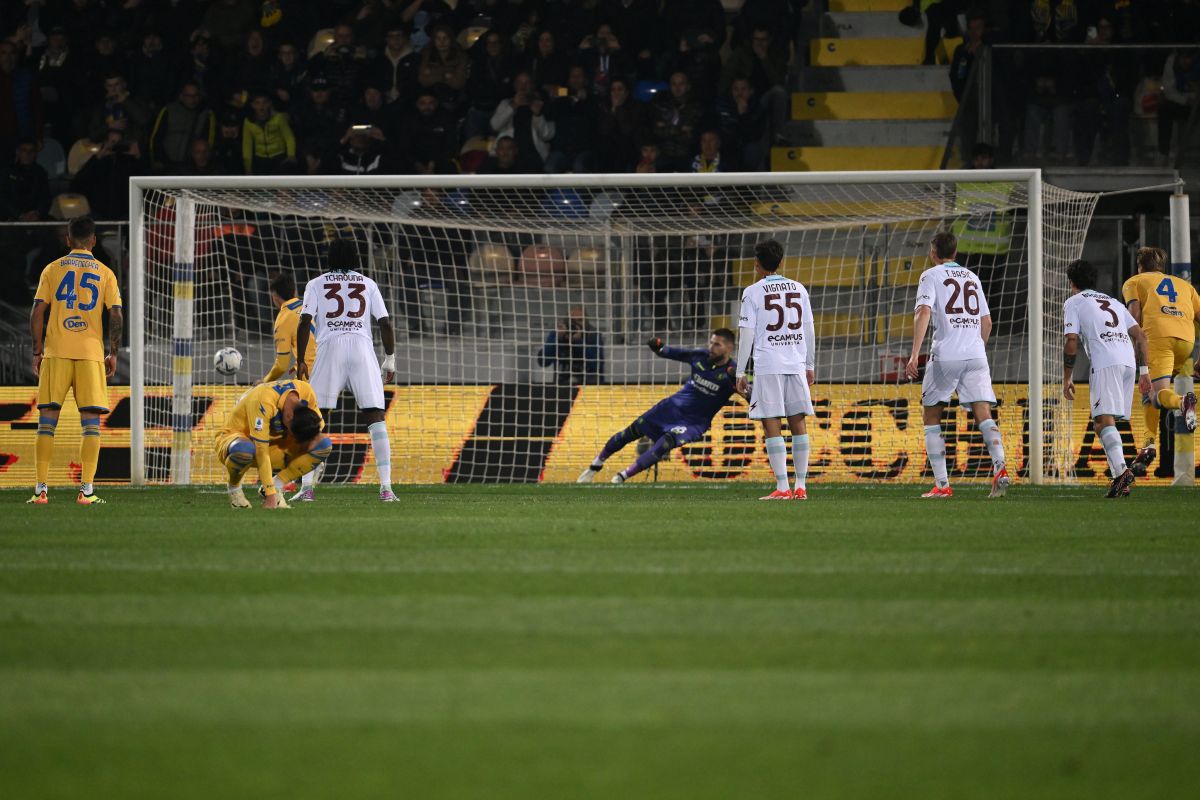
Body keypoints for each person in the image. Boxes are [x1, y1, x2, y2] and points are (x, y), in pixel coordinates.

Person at [905, 231, 1010, 499]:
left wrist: (914, 355)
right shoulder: (972, 277)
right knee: (983, 412)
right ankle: (1000, 467)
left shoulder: (931, 275)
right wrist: (976, 350)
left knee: (932, 416)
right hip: (976, 354)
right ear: (955, 252)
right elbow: (987, 322)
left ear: (933, 253)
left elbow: (923, 311)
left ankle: (942, 485)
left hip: (946, 354)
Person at [27, 216, 122, 505]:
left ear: (67, 240)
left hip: (56, 351)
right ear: (93, 240)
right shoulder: (105, 273)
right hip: (90, 354)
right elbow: (116, 314)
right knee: (91, 424)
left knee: (47, 422)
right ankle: (86, 491)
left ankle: (41, 491)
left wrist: (37, 351)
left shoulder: (52, 269)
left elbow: (37, 312)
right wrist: (113, 352)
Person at [295, 238, 397, 502]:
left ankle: (306, 489)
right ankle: (386, 489)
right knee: (375, 417)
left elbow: (305, 321)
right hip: (362, 350)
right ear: (355, 258)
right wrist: (390, 358)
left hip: (330, 350)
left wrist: (301, 360)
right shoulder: (368, 283)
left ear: (329, 258)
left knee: (315, 419)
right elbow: (385, 323)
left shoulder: (316, 284)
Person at [577, 330, 740, 484]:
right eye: (711, 342)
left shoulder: (733, 373)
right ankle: (595, 465)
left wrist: (742, 381)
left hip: (693, 422)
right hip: (669, 408)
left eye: (717, 344)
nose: (711, 347)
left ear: (729, 348)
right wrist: (657, 346)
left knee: (664, 444)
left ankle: (620, 478)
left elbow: (749, 394)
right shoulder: (700, 356)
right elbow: (669, 352)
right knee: (629, 433)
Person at [1062, 259, 1151, 498]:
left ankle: (1122, 473)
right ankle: (1121, 479)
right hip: (1128, 362)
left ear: (1072, 282)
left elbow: (1071, 340)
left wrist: (1067, 377)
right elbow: (1141, 336)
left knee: (1103, 420)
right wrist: (1144, 372)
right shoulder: (1114, 302)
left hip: (1106, 361)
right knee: (1103, 422)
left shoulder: (1073, 302)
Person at [735, 239, 815, 500]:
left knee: (772, 424)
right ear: (781, 261)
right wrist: (810, 364)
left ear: (756, 264)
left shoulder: (752, 292)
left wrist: (740, 372)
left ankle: (783, 487)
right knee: (798, 423)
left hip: (768, 364)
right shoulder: (799, 288)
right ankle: (801, 486)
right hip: (796, 363)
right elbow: (809, 329)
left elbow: (746, 334)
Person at [1121, 246, 1200, 474]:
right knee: (1151, 393)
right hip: (1186, 342)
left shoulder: (1134, 281)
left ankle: (1183, 402)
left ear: (1140, 266)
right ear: (1161, 267)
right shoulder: (1185, 286)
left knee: (1157, 395)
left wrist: (1132, 349)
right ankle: (1148, 446)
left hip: (1157, 339)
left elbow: (1134, 315)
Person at [213, 379, 331, 509]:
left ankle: (277, 485)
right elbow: (261, 452)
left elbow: (318, 426)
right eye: (293, 434)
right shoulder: (262, 401)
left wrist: (307, 449)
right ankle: (234, 488)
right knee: (244, 450)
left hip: (272, 443)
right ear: (289, 416)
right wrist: (271, 496)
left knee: (323, 445)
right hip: (237, 438)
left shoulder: (307, 392)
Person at [148, 83, 215, 174]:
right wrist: (157, 159)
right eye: (189, 96)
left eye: (195, 95)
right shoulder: (168, 110)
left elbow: (209, 142)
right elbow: (156, 137)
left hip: (192, 167)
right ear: (181, 96)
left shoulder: (206, 114)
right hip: (167, 164)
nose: (192, 99)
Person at [263, 271, 317, 383]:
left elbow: (282, 365)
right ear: (295, 291)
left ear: (274, 296)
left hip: (310, 376)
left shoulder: (283, 319)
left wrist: (264, 381)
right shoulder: (312, 305)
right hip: (333, 370)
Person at [537, 306, 605, 385]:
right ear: (567, 321)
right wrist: (557, 339)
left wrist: (578, 342)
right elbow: (543, 362)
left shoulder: (592, 334)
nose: (576, 324)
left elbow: (597, 365)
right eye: (572, 320)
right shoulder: (558, 333)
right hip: (562, 385)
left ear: (586, 321)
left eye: (580, 320)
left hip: (587, 386)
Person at [242, 92, 296, 174]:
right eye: (257, 103)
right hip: (260, 159)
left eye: (264, 102)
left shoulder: (278, 118)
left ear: (269, 104)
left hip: (279, 157)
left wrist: (291, 155)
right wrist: (248, 167)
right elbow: (247, 144)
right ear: (252, 105)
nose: (261, 106)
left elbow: (289, 137)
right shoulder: (248, 121)